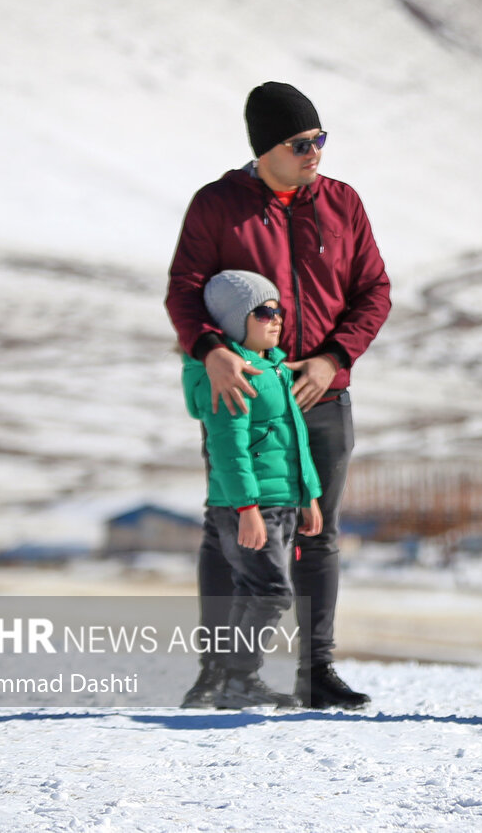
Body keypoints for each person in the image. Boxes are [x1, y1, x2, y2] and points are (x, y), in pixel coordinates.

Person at [166, 81, 391, 709]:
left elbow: (374, 291)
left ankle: (314, 672)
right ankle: (219, 672)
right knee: (230, 529)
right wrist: (212, 350)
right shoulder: (219, 205)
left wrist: (333, 358)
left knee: (320, 532)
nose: (315, 151)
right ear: (266, 148)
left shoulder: (342, 203)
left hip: (323, 393)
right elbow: (185, 289)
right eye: (301, 142)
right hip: (246, 394)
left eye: (320, 138)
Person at [181, 270, 323, 707]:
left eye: (278, 309)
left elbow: (294, 436)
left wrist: (309, 495)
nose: (276, 318)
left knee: (253, 592)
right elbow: (228, 447)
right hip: (250, 505)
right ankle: (237, 680)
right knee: (270, 593)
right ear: (233, 320)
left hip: (280, 502)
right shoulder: (235, 372)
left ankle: (232, 682)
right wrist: (246, 508)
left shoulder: (273, 367)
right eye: (263, 312)